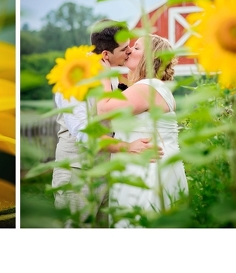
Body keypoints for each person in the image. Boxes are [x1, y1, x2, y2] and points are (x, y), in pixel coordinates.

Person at [52, 19, 157, 226]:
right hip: (78, 171)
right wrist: (127, 147)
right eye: (124, 49)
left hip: (106, 169)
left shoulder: (110, 72)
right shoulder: (73, 78)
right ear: (106, 54)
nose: (129, 52)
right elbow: (84, 132)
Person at [96, 34, 189, 227]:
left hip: (148, 170)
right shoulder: (152, 87)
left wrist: (102, 75)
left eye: (137, 48)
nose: (129, 50)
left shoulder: (148, 87)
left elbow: (104, 110)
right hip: (146, 164)